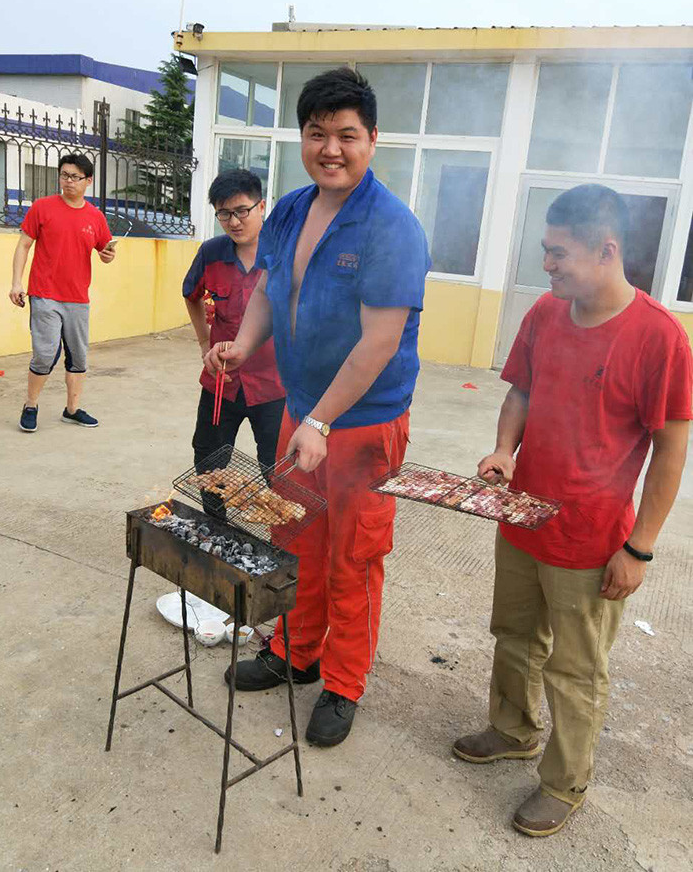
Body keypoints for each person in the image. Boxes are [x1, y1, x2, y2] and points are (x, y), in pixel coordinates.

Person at [452, 184, 692, 837]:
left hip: (592, 540)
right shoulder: (546, 314)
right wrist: (505, 449)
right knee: (514, 637)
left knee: (577, 668)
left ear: (607, 250)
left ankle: (564, 783)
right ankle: (512, 729)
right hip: (523, 516)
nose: (547, 266)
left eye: (559, 254)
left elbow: (672, 451)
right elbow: (521, 392)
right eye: (545, 252)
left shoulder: (658, 337)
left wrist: (638, 547)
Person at [205, 67, 431, 746]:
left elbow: (380, 340)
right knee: (296, 539)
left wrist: (321, 421)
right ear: (301, 136)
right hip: (305, 410)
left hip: (362, 423)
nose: (330, 148)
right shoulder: (294, 209)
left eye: (347, 135)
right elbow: (272, 288)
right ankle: (295, 653)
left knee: (353, 558)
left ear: (372, 139)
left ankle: (343, 681)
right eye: (316, 133)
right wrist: (243, 344)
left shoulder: (392, 226)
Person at [183, 170, 285, 472]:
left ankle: (281, 520)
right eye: (224, 214)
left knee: (277, 464)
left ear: (261, 206)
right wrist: (204, 342)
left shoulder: (285, 254)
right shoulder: (211, 252)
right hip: (221, 381)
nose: (234, 222)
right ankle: (214, 520)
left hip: (274, 384)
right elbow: (191, 295)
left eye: (242, 211)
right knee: (208, 459)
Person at [9, 153, 116, 432]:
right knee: (45, 354)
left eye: (75, 177)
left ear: (88, 181)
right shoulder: (42, 208)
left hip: (78, 298)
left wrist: (108, 255)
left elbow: (105, 252)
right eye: (64, 175)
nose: (68, 181)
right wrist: (16, 283)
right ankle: (30, 405)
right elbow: (23, 246)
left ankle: (72, 410)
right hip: (44, 293)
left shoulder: (95, 217)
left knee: (78, 357)